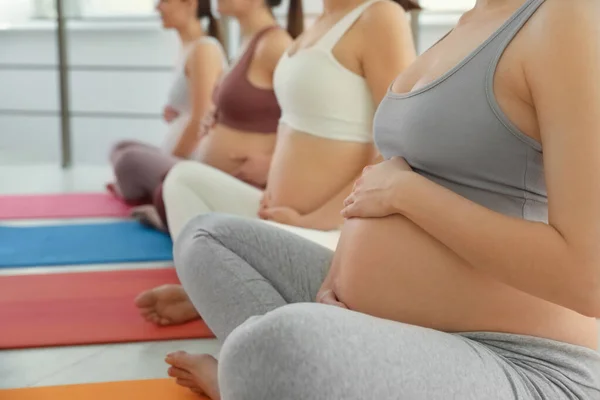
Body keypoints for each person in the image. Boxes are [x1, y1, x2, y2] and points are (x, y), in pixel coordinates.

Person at [165, 0, 600, 398]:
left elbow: (589, 281)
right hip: (388, 322)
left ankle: (252, 379)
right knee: (205, 237)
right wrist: (336, 277)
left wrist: (410, 195)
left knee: (277, 348)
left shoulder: (569, 16)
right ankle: (268, 379)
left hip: (525, 361)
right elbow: (386, 175)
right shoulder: (468, 22)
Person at [135, 0, 419, 324]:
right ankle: (218, 293)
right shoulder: (321, 20)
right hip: (278, 217)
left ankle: (223, 300)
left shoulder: (379, 14)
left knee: (208, 234)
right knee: (183, 180)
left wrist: (314, 219)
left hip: (329, 231)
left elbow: (396, 144)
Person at [109, 0, 292, 230]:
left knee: (141, 166)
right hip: (218, 174)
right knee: (160, 177)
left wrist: (273, 163)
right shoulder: (248, 42)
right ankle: (178, 208)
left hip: (245, 184)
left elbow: (306, 121)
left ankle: (178, 210)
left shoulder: (275, 45)